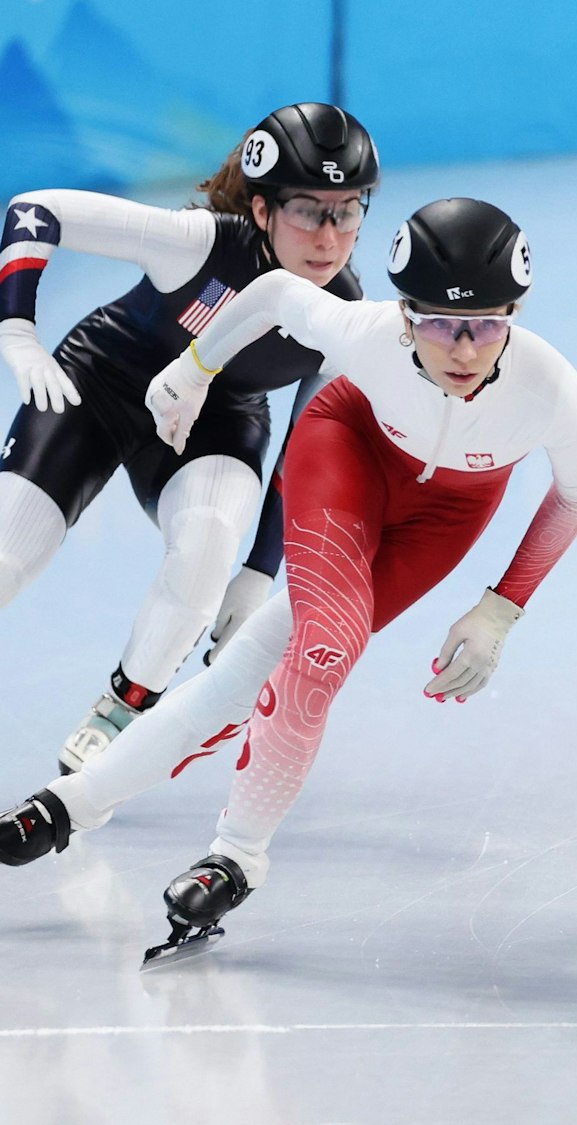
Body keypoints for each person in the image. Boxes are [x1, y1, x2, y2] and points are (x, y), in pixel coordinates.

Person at [0, 198, 577, 960]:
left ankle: (71, 803)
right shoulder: (368, 332)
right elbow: (277, 295)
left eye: (486, 323)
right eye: (439, 323)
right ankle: (239, 854)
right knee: (324, 649)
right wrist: (194, 369)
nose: (463, 347)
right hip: (346, 451)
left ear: (515, 312)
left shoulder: (553, 391)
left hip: (444, 515)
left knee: (261, 661)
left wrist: (500, 609)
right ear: (405, 313)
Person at [0, 103, 378, 773]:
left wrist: (258, 573)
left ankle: (122, 708)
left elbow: (305, 450)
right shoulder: (198, 243)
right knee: (9, 555)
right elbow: (35, 209)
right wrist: (16, 330)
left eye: (347, 211)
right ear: (261, 210)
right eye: (307, 210)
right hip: (101, 383)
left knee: (206, 548)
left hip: (219, 417)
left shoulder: (342, 318)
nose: (328, 237)